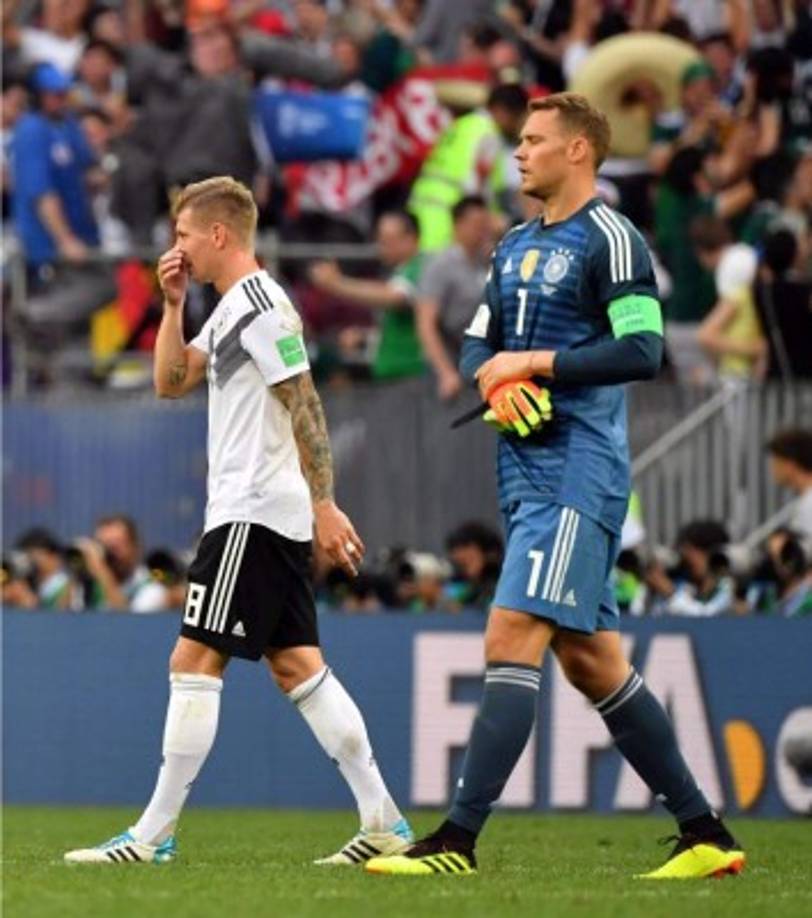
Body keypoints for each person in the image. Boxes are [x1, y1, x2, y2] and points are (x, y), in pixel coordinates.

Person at [367, 93, 743, 880]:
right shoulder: (509, 245)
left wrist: (532, 366)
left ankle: (458, 841)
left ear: (578, 151)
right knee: (591, 661)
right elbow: (478, 348)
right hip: (524, 467)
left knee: (509, 637)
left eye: (535, 141)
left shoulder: (614, 237)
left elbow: (642, 349)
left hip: (579, 471)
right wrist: (496, 384)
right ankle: (707, 834)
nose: (519, 152)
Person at [64, 176, 411, 866]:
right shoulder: (226, 311)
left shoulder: (262, 305)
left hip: (253, 511)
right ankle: (384, 822)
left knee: (192, 659)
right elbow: (169, 382)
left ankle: (153, 835)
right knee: (297, 667)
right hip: (258, 510)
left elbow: (305, 402)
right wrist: (172, 305)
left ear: (218, 234)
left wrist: (324, 502)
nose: (178, 248)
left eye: (185, 236)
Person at [308, 210, 426, 381]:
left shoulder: (420, 268)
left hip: (409, 374)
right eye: (380, 240)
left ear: (410, 239)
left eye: (389, 241)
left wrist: (337, 283)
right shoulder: (398, 272)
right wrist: (364, 337)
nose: (381, 246)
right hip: (395, 373)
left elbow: (394, 297)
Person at [416, 195, 493, 400]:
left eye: (486, 225)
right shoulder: (441, 265)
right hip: (451, 366)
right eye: (477, 225)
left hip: (481, 363)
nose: (483, 231)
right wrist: (445, 372)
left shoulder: (488, 261)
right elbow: (425, 323)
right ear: (458, 225)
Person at [692, 215, 766, 382]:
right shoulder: (744, 252)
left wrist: (754, 349)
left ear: (700, 252)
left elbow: (707, 334)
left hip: (740, 369)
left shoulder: (730, 268)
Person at [74, 514, 169, 613]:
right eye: (103, 547)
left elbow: (128, 623)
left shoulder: (152, 589)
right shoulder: (89, 588)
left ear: (135, 547)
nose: (109, 555)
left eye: (115, 547)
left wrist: (102, 571)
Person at [645, 520, 736, 617]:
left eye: (691, 551)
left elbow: (707, 619)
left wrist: (671, 594)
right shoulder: (683, 586)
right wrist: (651, 592)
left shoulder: (727, 588)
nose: (685, 559)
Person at [766, 428, 812, 539]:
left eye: (775, 461)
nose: (772, 468)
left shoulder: (809, 504)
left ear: (789, 463)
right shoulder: (806, 501)